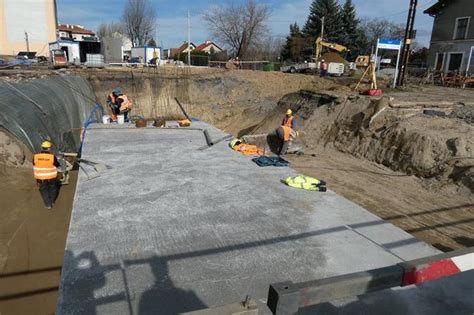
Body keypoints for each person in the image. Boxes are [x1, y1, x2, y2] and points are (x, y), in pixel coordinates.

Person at [33, 141, 60, 209]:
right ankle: (52, 201)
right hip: (51, 177)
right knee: (53, 189)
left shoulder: (35, 156)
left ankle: (48, 204)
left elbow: (34, 164)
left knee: (43, 191)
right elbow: (57, 165)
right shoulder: (52, 157)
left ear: (42, 148)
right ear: (49, 148)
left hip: (40, 178)